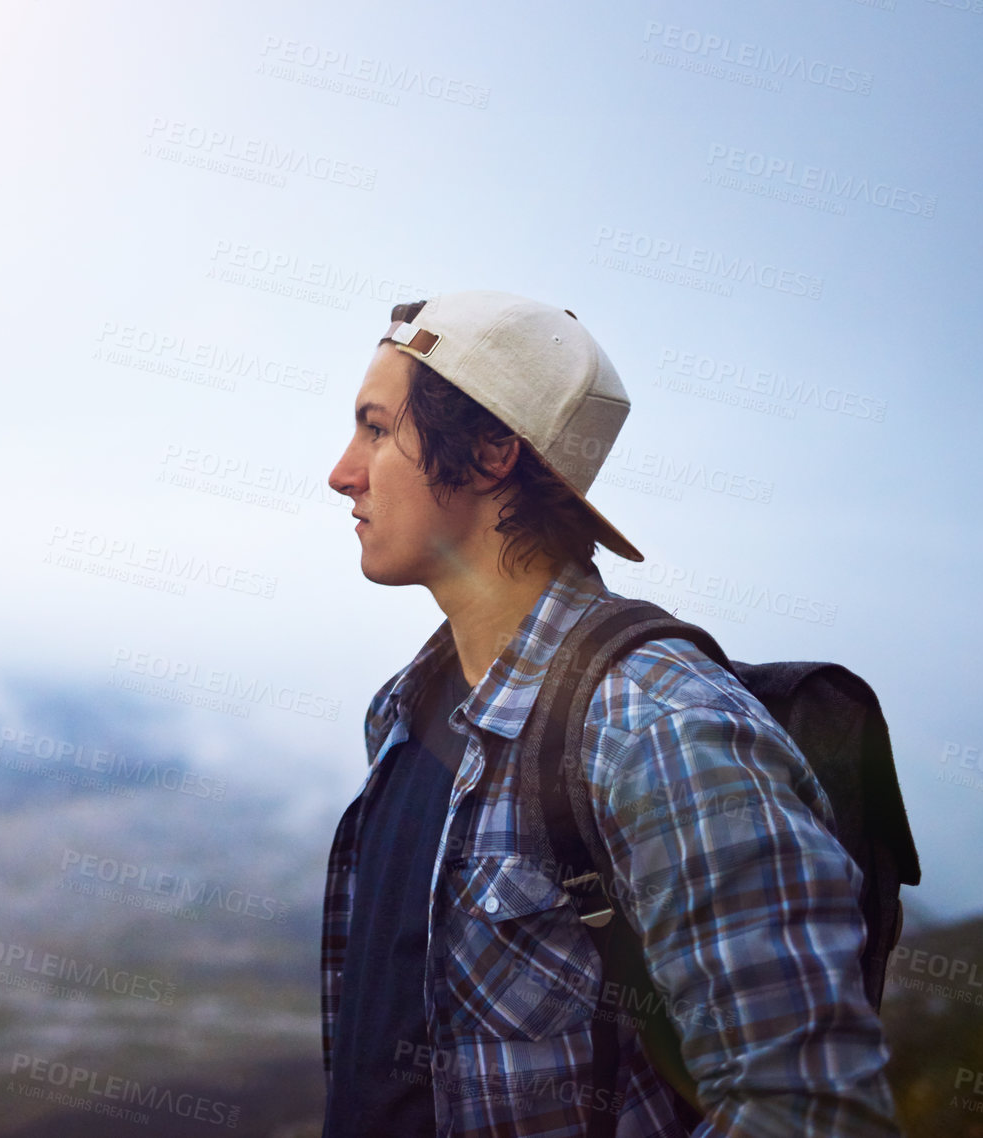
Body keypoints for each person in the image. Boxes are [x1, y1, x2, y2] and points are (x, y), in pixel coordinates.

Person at [318, 290, 902, 1137]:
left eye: (376, 428)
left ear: (489, 455)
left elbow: (808, 1112)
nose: (343, 471)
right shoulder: (403, 713)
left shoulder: (660, 728)